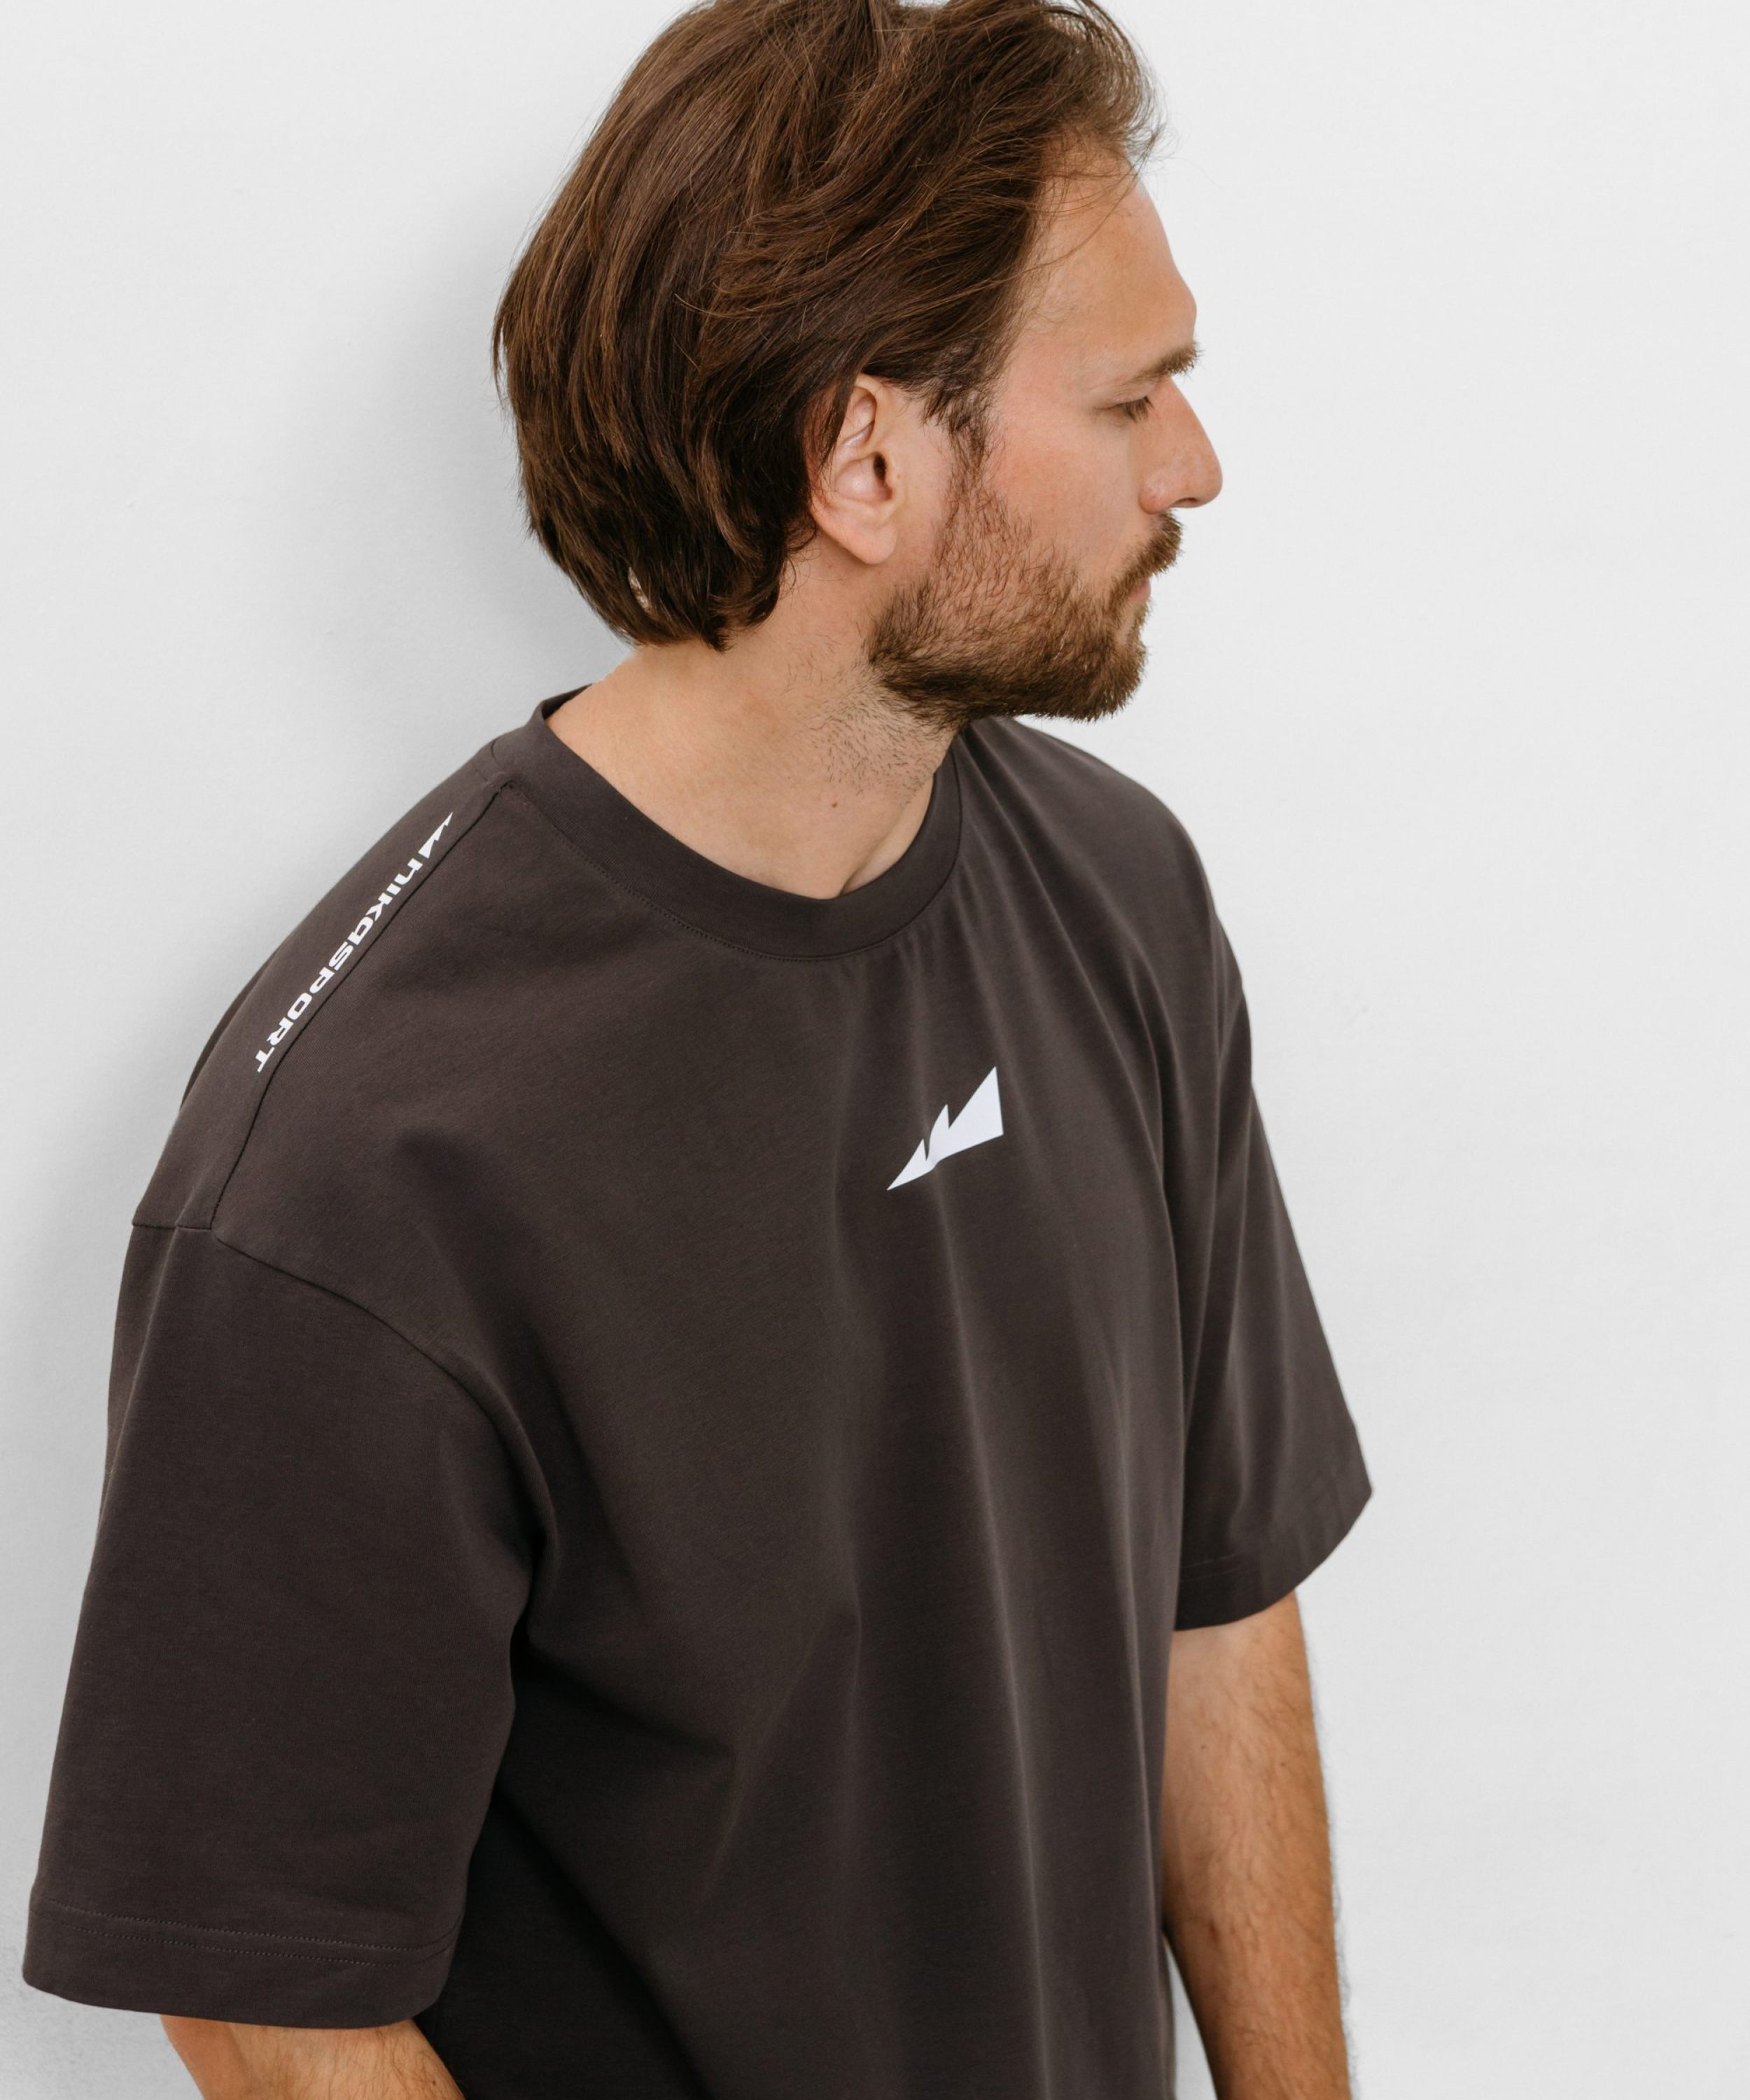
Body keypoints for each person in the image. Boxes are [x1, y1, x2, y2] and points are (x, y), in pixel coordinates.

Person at [21, 1, 1373, 2094]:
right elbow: (271, 1993)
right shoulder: (364, 1161)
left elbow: (1216, 1597)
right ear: (866, 462)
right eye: (1129, 397)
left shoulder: (1119, 900)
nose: (1192, 464)